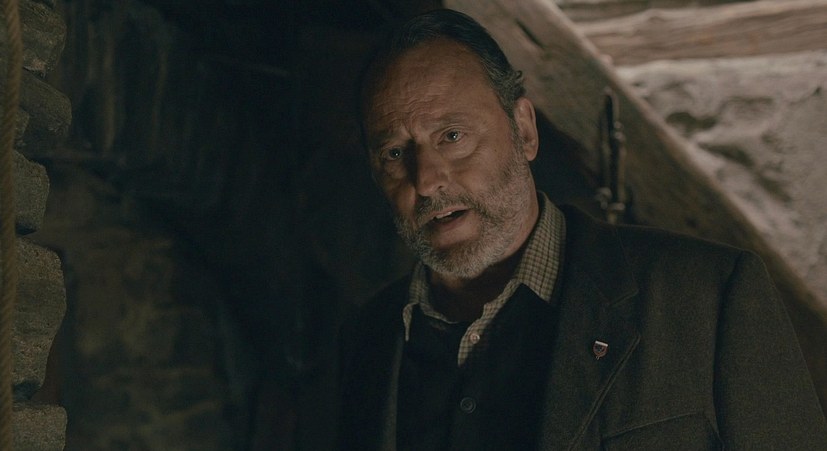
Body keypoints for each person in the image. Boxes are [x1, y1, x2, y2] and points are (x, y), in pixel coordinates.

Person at [336, 8, 827, 450]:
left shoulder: (707, 296)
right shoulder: (366, 341)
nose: (427, 180)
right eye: (395, 153)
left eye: (452, 135)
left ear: (524, 130)